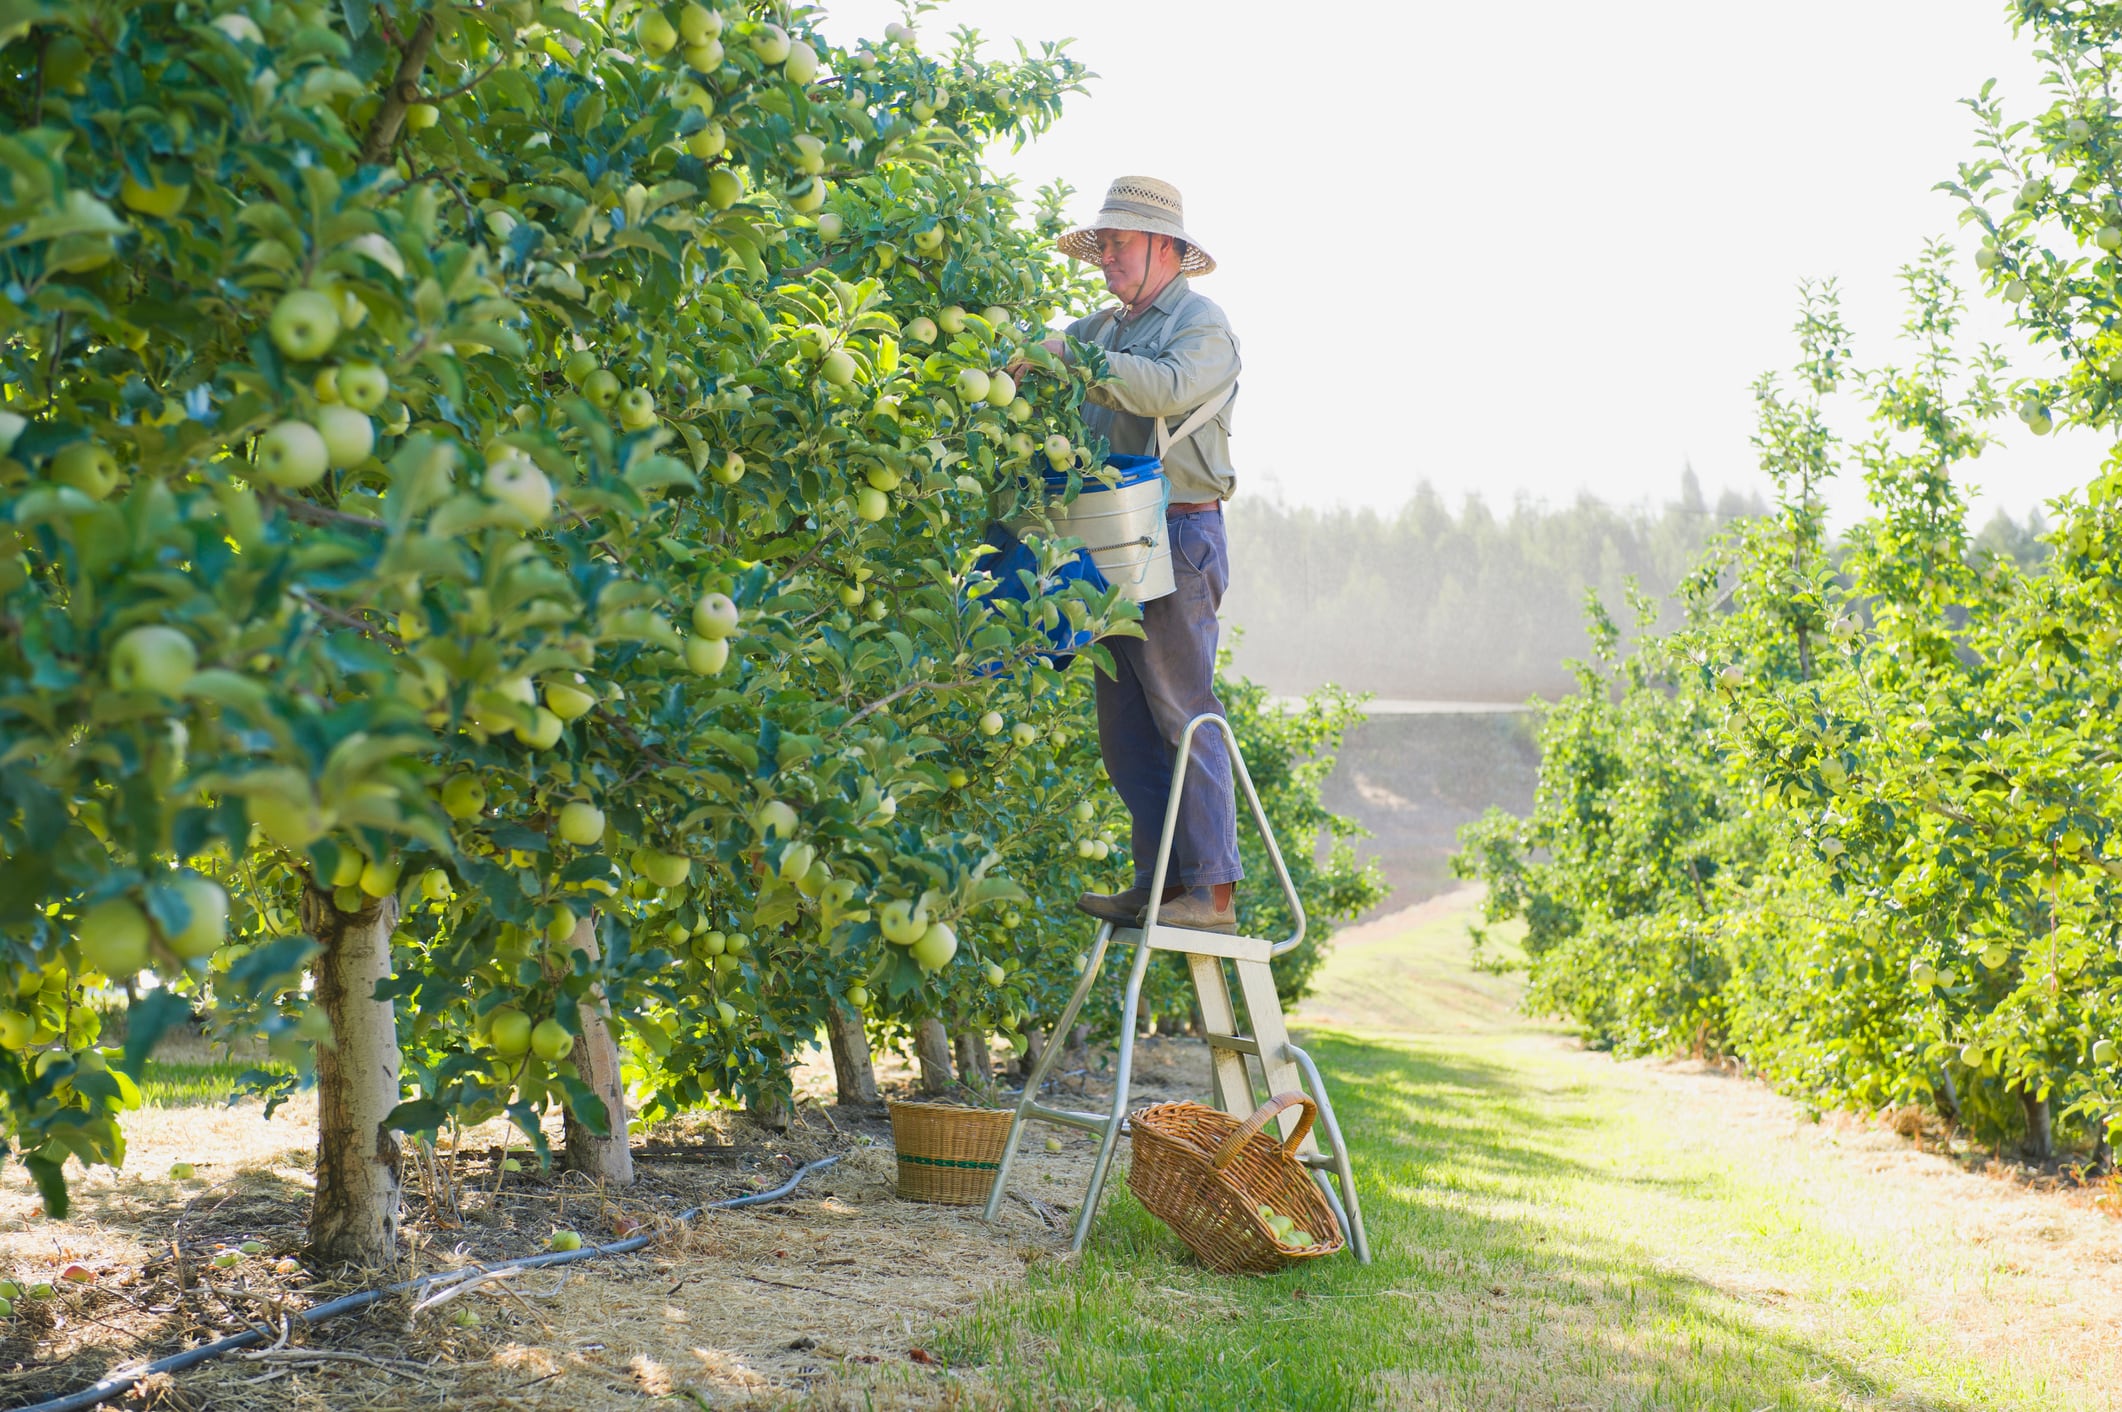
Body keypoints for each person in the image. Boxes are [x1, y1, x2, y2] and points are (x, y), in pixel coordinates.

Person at [1011, 175, 1243, 934]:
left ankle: (1211, 892)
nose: (1104, 256)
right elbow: (1039, 358)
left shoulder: (1202, 327)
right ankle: (1161, 882)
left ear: (1166, 247)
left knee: (1181, 710)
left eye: (1118, 243)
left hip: (1178, 534)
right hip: (1111, 540)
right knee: (1127, 727)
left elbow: (1165, 389)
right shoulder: (1101, 330)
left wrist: (1063, 359)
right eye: (1101, 243)